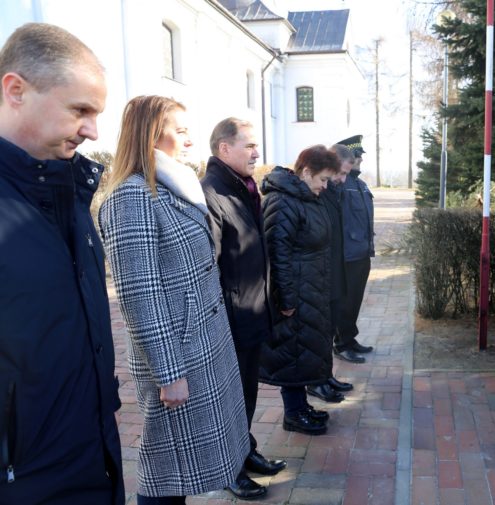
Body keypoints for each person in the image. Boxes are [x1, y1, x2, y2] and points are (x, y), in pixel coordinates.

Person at [99, 96, 250, 504]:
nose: (190, 140)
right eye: (180, 131)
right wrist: (169, 373)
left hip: (202, 345)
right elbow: (140, 294)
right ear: (151, 133)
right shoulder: (131, 196)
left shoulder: (175, 186)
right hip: (177, 355)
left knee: (183, 471)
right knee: (167, 472)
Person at [0, 23, 124, 504]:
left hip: (93, 463)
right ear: (16, 91)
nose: (93, 130)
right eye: (80, 110)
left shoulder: (70, 193)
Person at [201, 118, 287, 492]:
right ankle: (229, 469)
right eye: (249, 145)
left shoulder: (244, 188)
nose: (256, 153)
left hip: (251, 313)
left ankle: (245, 450)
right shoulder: (212, 193)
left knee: (246, 393)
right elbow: (209, 267)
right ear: (224, 148)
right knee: (229, 400)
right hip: (230, 320)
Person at [259, 145, 339, 435]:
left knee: (304, 351)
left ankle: (301, 406)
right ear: (306, 172)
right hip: (294, 293)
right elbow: (277, 254)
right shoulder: (282, 202)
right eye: (323, 179)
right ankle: (293, 414)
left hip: (311, 288)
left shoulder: (307, 197)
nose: (325, 186)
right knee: (292, 352)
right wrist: (287, 299)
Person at [305, 144, 357, 401]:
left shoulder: (332, 191)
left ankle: (325, 376)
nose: (342, 180)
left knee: (328, 331)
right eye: (341, 173)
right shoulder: (317, 193)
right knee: (318, 334)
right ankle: (316, 381)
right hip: (321, 278)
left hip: (334, 275)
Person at [334, 135, 375, 362]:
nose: (360, 159)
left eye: (359, 156)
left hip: (362, 252)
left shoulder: (360, 185)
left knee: (355, 300)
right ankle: (341, 344)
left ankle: (350, 339)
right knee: (345, 303)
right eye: (356, 156)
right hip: (347, 255)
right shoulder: (340, 184)